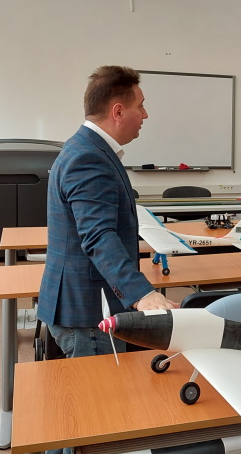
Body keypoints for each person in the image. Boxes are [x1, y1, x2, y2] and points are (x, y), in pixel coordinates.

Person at [38, 66, 176, 358]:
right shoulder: (89, 158)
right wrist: (141, 293)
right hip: (89, 312)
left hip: (86, 304)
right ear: (118, 111)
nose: (145, 115)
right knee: (99, 388)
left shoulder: (88, 148)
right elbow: (99, 236)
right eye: (140, 106)